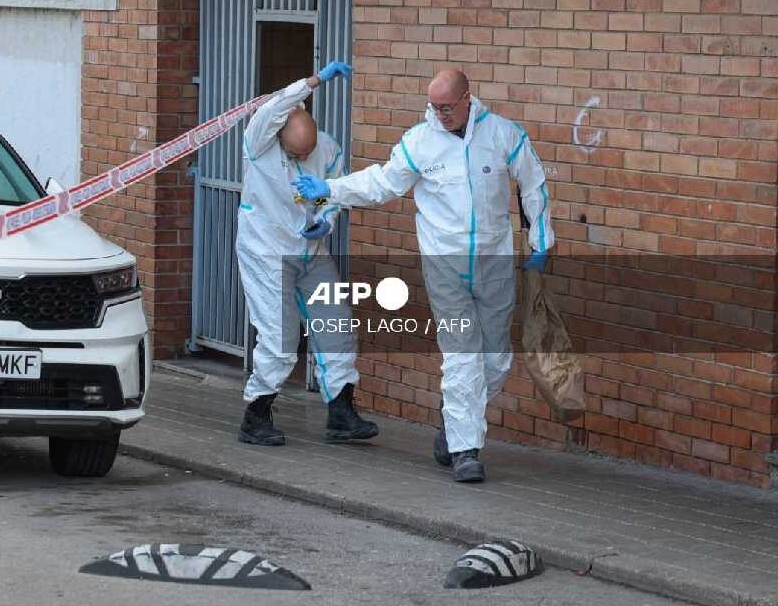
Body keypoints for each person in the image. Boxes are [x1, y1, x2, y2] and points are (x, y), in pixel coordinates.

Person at [293, 69, 553, 482]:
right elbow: (381, 183)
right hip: (444, 264)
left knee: (497, 359)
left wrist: (540, 243)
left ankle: (453, 424)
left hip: (494, 261)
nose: (440, 114)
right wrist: (329, 188)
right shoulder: (420, 142)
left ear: (468, 98)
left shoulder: (503, 135)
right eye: (435, 107)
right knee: (463, 354)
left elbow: (534, 185)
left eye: (447, 107)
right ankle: (466, 451)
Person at [235, 61, 379, 447]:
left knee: (337, 326)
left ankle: (341, 413)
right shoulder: (260, 140)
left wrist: (326, 222)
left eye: (307, 152)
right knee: (280, 337)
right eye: (296, 153)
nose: (303, 158)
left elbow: (335, 195)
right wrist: (313, 81)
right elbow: (274, 106)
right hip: (266, 250)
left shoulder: (327, 148)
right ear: (281, 135)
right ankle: (257, 413)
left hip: (311, 249)